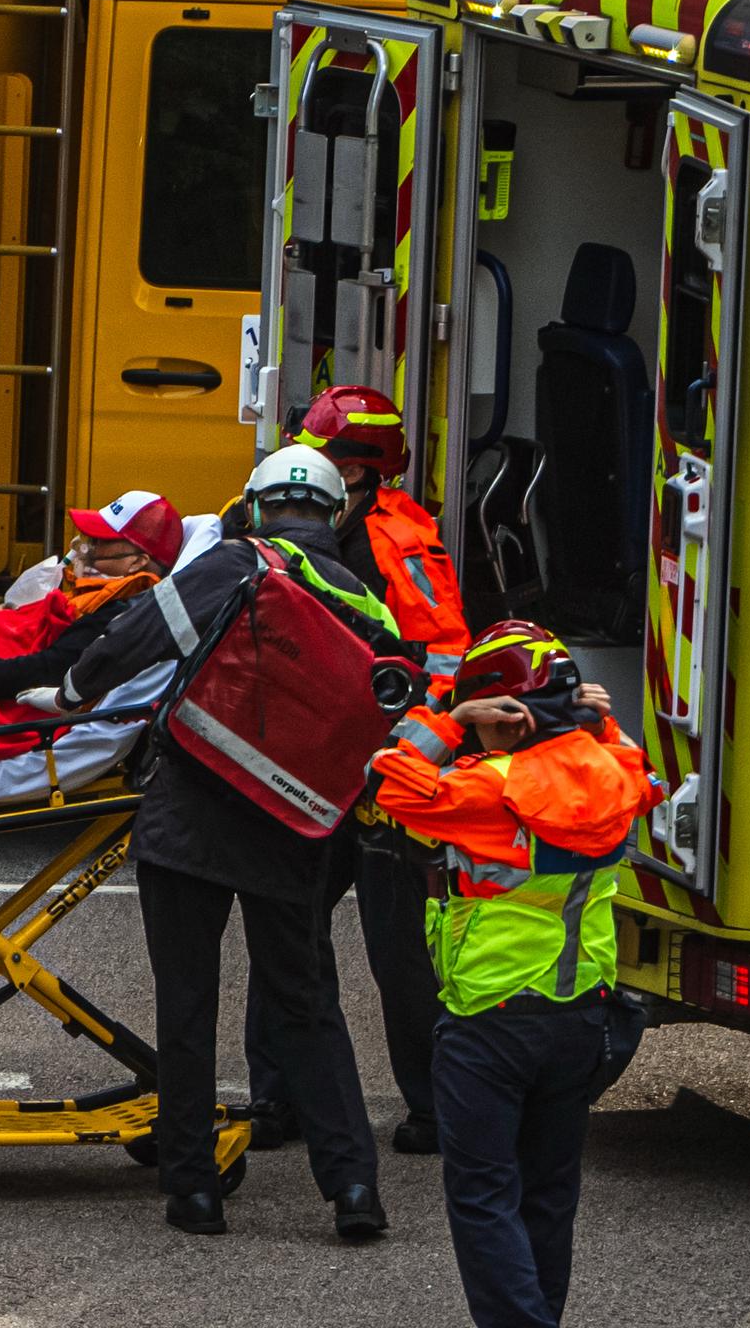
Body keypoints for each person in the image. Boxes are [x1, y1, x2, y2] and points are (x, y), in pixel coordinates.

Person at [30, 446, 397, 1240]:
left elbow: (142, 637)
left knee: (187, 1007)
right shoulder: (372, 605)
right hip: (293, 827)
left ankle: (194, 1189)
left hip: (192, 810)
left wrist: (69, 691)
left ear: (256, 504)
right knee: (305, 1006)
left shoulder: (237, 561)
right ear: (336, 514)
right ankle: (353, 1188)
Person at [366, 621, 663, 1327]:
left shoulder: (486, 789)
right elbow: (646, 779)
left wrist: (444, 717)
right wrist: (606, 720)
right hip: (581, 1017)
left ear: (509, 715)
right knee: (549, 1197)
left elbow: (387, 780)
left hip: (490, 1023)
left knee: (482, 1196)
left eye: (486, 718)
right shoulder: (612, 772)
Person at [247, 386, 469, 1155]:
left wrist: (400, 761)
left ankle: (436, 1108)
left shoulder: (399, 544)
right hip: (317, 766)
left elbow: (444, 664)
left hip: (382, 780)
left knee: (398, 949)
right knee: (287, 930)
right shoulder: (294, 521)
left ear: (359, 473)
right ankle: (278, 1098)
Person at [0, 489, 186, 713]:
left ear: (136, 563)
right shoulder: (101, 599)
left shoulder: (120, 614)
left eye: (99, 541)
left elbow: (44, 668)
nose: (84, 546)